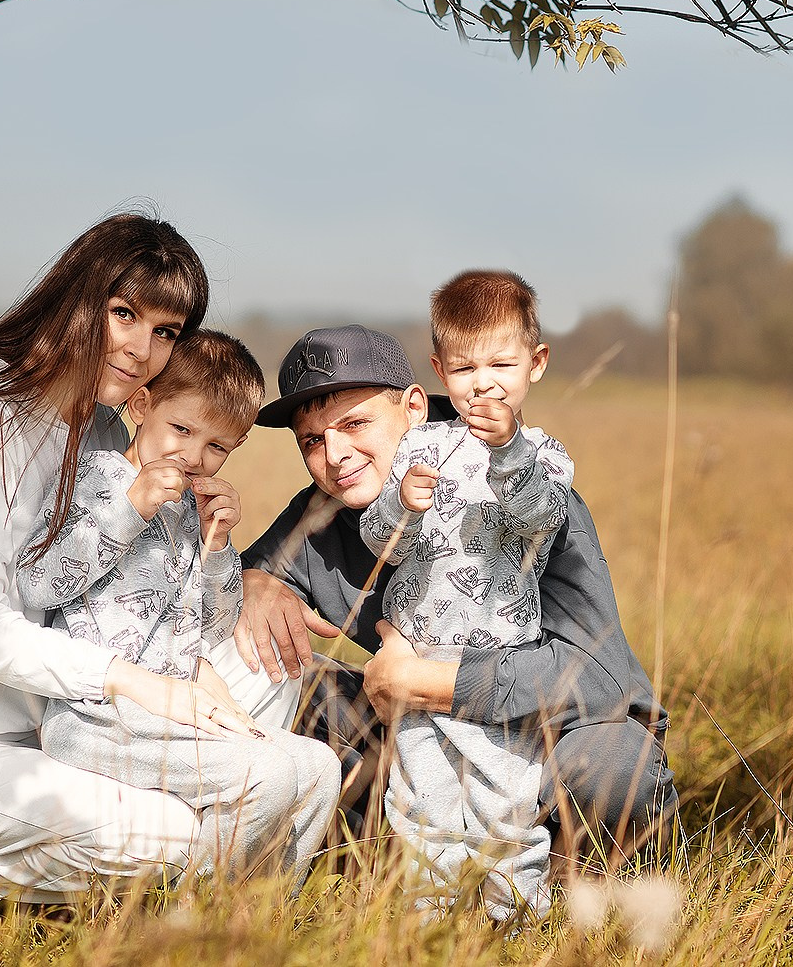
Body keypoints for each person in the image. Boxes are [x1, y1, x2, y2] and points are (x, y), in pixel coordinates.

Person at [0, 214, 334, 906]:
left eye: (165, 331)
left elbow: (145, 595)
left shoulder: (104, 422)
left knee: (273, 658)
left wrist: (234, 569)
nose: (141, 348)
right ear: (78, 299)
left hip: (65, 713)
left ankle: (224, 883)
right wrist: (133, 682)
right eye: (124, 313)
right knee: (171, 837)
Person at [209, 323, 677, 870]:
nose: (335, 455)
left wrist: (427, 684)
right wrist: (255, 582)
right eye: (311, 439)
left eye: (355, 424)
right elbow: (254, 569)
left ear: (412, 408)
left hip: (548, 741)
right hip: (422, 745)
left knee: (613, 766)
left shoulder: (529, 493)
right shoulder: (326, 506)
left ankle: (570, 897)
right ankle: (389, 866)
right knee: (285, 681)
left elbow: (603, 682)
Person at [18, 329, 339, 883]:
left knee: (317, 767)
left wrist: (217, 549)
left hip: (173, 710)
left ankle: (257, 914)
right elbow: (39, 585)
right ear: (143, 405)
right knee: (263, 775)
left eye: (217, 446)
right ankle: (194, 915)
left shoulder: (193, 510)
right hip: (94, 716)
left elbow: (212, 630)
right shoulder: (93, 480)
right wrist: (131, 507)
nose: (195, 456)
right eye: (182, 430)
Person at [360, 272, 573, 919]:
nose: (482, 382)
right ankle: (431, 927)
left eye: (502, 364)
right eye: (464, 367)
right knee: (424, 808)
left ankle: (515, 923)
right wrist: (401, 505)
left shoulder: (544, 453)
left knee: (505, 810)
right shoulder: (419, 446)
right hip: (420, 658)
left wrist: (506, 449)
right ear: (438, 369)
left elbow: (540, 516)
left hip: (495, 670)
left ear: (535, 364)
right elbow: (381, 543)